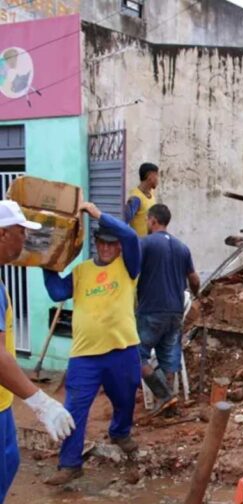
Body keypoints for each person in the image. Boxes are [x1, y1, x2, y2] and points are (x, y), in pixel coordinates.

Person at [42, 202, 141, 485]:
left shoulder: (128, 266)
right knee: (75, 407)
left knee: (125, 399)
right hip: (85, 355)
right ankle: (70, 464)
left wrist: (97, 214)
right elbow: (56, 292)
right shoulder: (81, 271)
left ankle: (120, 432)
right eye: (102, 243)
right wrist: (46, 262)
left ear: (119, 247)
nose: (107, 248)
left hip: (123, 350)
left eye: (112, 244)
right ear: (96, 243)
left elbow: (131, 236)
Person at [0, 200, 74, 504]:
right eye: (21, 232)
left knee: (9, 463)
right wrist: (40, 402)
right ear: (3, 234)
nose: (25, 239)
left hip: (3, 404)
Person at [137, 204, 199, 412]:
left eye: (147, 220)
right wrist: (196, 294)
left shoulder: (145, 243)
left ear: (153, 220)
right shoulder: (182, 247)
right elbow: (194, 279)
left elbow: (131, 271)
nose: (147, 223)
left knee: (136, 355)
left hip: (151, 310)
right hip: (175, 312)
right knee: (168, 358)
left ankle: (163, 395)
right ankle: (169, 407)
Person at [124, 162, 159, 237]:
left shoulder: (151, 193)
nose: (157, 179)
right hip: (139, 242)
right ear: (150, 176)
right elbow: (124, 221)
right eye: (156, 175)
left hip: (150, 241)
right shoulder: (135, 198)